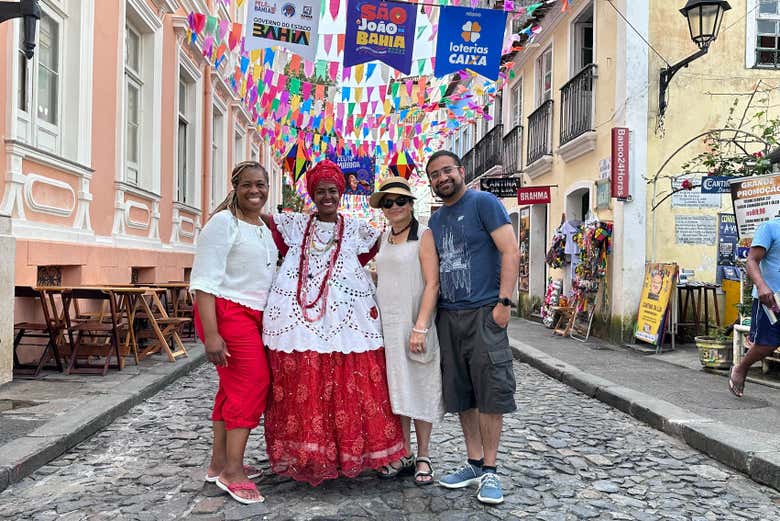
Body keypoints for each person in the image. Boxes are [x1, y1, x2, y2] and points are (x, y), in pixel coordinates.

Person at [262, 159, 405, 486]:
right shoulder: (294, 227)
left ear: (341, 193)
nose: (327, 196)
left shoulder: (357, 230)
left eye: (332, 191)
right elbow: (259, 218)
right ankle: (310, 454)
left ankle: (355, 453)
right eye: (320, 191)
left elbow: (389, 245)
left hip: (348, 323)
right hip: (302, 322)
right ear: (311, 194)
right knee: (307, 382)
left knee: (351, 382)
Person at [425, 150, 520, 505]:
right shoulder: (437, 221)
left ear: (460, 171)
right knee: (462, 393)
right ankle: (474, 462)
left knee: (490, 391)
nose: (441, 178)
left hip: (484, 312)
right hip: (449, 316)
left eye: (446, 170)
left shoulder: (484, 202)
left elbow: (510, 251)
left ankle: (491, 471)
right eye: (434, 174)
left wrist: (504, 303)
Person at [189, 161, 278, 505]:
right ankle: (233, 472)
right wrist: (211, 336)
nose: (255, 191)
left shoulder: (261, 226)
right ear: (235, 187)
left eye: (261, 185)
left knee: (230, 389)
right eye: (248, 185)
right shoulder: (222, 223)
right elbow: (203, 283)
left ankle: (218, 464)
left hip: (253, 314)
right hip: (227, 312)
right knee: (253, 383)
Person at [370, 176, 444, 485]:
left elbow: (433, 282)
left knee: (421, 386)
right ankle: (403, 453)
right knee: (396, 390)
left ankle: (424, 455)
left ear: (410, 204)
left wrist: (421, 326)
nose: (394, 206)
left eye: (400, 201)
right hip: (387, 325)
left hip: (415, 325)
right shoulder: (384, 239)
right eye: (388, 203)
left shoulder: (423, 235)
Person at [730, 217, 780, 397]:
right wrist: (761, 286)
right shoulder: (770, 228)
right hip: (771, 299)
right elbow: (751, 261)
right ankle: (741, 368)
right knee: (767, 344)